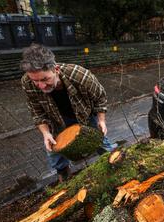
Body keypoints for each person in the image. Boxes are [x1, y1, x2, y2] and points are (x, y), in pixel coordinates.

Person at [20, 44, 117, 183]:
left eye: (45, 79)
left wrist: (101, 120)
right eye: (35, 81)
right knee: (53, 151)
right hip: (56, 119)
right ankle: (64, 175)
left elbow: (100, 97)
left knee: (102, 142)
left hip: (85, 115)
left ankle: (114, 163)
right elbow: (37, 112)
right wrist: (46, 133)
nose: (41, 86)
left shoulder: (80, 75)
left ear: (56, 69)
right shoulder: (26, 82)